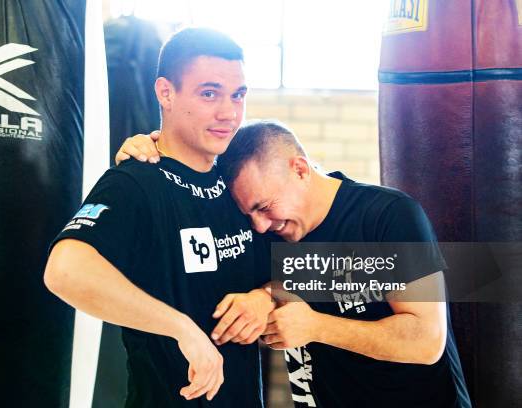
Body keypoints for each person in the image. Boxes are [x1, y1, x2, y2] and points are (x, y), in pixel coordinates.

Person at [117, 120, 471, 407]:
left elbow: (426, 340)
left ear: (300, 170)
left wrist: (316, 326)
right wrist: (152, 156)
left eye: (264, 206)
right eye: (249, 214)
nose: (259, 225)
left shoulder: (389, 216)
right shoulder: (270, 232)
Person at [44, 28, 274, 408]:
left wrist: (265, 298)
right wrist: (181, 328)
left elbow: (304, 262)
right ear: (166, 93)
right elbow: (64, 271)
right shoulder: (135, 180)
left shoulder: (240, 180)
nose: (228, 113)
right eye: (209, 93)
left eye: (238, 95)